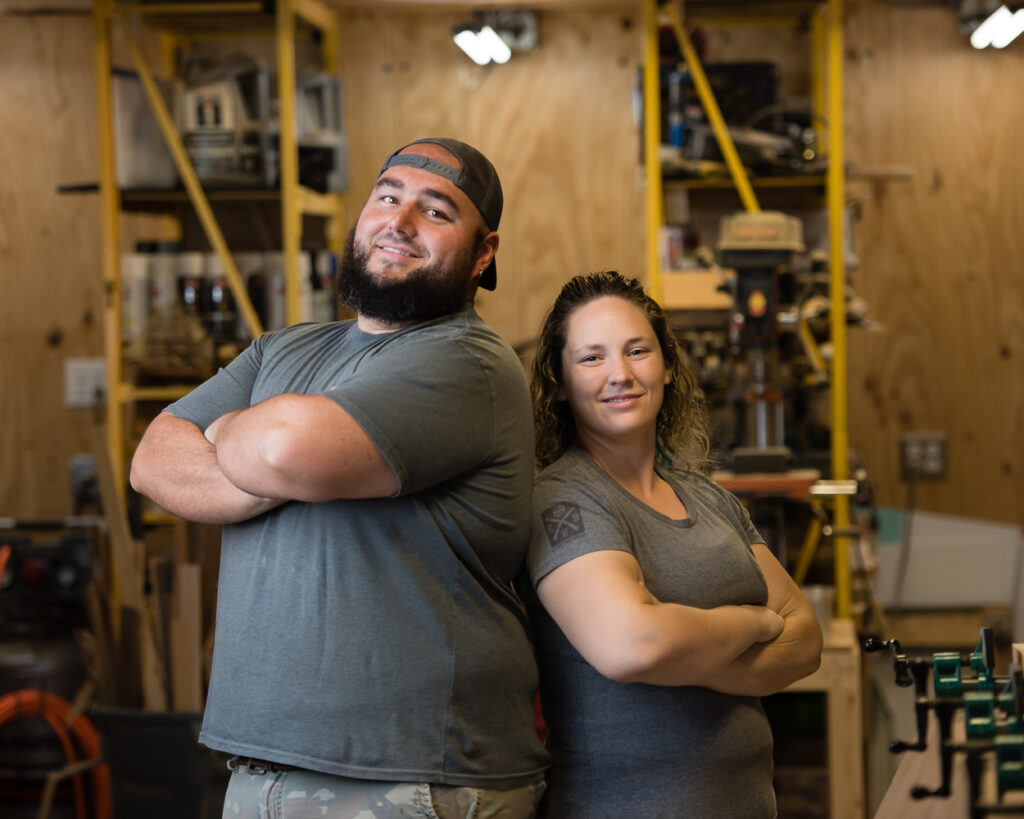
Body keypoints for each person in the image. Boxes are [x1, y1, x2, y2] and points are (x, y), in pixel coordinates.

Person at [130, 138, 548, 819]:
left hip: (409, 779)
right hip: (263, 768)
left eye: (436, 210)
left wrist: (241, 439)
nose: (400, 221)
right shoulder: (283, 349)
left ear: (483, 253)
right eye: (387, 196)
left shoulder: (469, 362)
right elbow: (153, 459)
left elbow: (287, 446)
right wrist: (276, 462)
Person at [522, 271, 823, 819]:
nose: (621, 374)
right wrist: (754, 625)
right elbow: (633, 644)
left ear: (665, 364)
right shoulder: (563, 499)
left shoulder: (708, 498)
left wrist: (693, 658)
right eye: (592, 358)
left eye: (638, 350)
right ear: (560, 382)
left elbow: (805, 639)